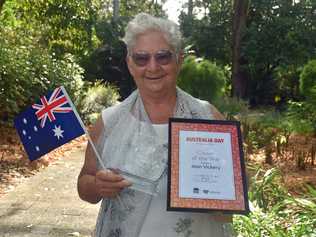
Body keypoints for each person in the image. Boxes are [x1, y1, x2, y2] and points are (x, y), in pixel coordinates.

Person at [77, 13, 232, 237]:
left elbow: (229, 194)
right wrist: (96, 186)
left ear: (179, 60)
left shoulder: (207, 117)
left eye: (163, 57)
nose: (152, 67)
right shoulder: (110, 122)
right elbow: (84, 184)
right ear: (130, 63)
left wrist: (227, 194)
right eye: (141, 58)